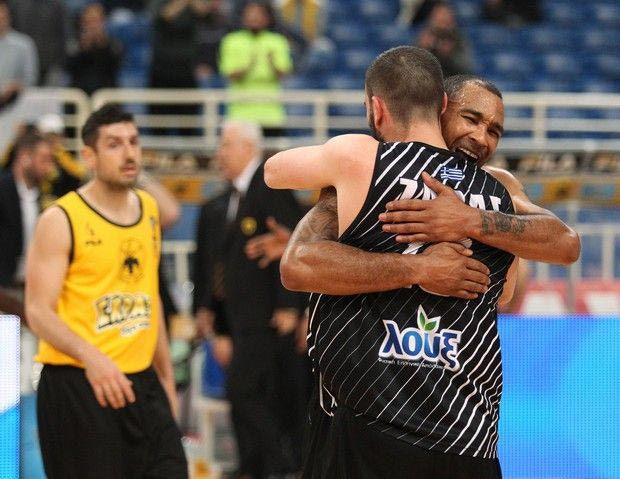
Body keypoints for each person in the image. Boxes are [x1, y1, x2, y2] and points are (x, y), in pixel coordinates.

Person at [265, 46, 579, 478]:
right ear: (441, 106)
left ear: (377, 109)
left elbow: (558, 249)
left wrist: (468, 220)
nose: (482, 138)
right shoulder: (382, 168)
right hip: (429, 428)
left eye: (494, 131)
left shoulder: (484, 184)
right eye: (472, 120)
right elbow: (508, 289)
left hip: (441, 427)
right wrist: (422, 268)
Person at [25, 105, 187, 479]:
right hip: (79, 381)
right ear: (89, 156)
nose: (129, 153)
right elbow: (38, 312)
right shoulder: (60, 219)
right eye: (114, 144)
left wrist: (165, 380)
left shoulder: (148, 209)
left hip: (141, 383)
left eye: (133, 142)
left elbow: (150, 299)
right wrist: (92, 358)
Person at [192, 120, 306, 479]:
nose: (220, 153)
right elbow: (218, 263)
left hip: (268, 317)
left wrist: (291, 305)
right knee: (252, 394)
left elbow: (293, 242)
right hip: (243, 317)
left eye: (226, 145)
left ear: (248, 148)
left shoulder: (270, 186)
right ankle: (258, 467)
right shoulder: (232, 198)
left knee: (243, 392)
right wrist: (213, 313)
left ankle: (282, 464)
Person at [219, 1, 293, 137]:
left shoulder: (278, 41)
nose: (255, 18)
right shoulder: (231, 41)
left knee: (272, 150)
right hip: (240, 113)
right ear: (243, 17)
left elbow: (284, 73)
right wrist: (249, 66)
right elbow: (229, 74)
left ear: (267, 18)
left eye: (259, 14)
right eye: (251, 14)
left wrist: (272, 63)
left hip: (270, 113)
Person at [66, 3, 123, 95]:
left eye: (96, 21)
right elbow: (68, 67)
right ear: (82, 23)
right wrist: (83, 47)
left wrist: (103, 44)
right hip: (80, 93)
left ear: (103, 22)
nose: (93, 26)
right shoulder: (74, 44)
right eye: (89, 21)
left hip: (106, 93)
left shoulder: (114, 45)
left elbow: (117, 66)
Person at [416, 2, 473, 77]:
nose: (442, 23)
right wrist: (422, 49)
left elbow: (468, 68)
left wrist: (449, 56)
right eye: (439, 20)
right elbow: (412, 67)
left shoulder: (459, 39)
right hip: (427, 79)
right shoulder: (424, 36)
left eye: (446, 20)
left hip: (452, 79)